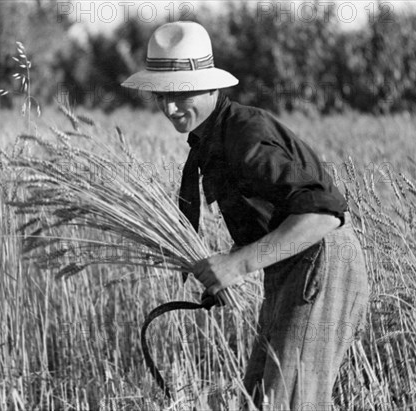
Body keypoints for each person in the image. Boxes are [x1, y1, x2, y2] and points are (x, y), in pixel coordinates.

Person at [121, 21, 370, 410]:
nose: (169, 107)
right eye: (160, 96)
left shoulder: (244, 135)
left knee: (288, 402)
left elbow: (324, 215)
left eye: (179, 93)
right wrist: (222, 267)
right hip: (291, 267)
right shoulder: (211, 140)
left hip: (320, 263)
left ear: (209, 85)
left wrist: (236, 265)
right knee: (256, 399)